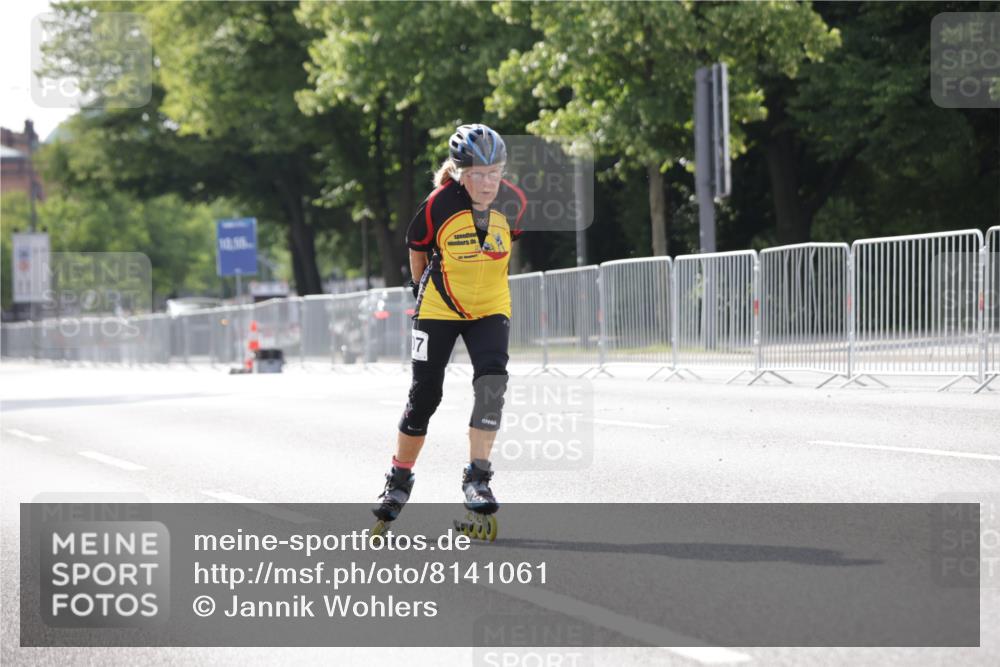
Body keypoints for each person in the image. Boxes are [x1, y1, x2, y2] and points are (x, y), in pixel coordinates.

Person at [372, 123, 526, 530]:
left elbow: (507, 247)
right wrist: (419, 290)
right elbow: (417, 248)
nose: (488, 182)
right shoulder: (439, 204)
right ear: (460, 173)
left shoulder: (514, 202)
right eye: (477, 174)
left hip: (490, 307)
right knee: (426, 395)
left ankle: (478, 478)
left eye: (495, 173)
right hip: (439, 307)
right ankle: (398, 480)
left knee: (492, 386)